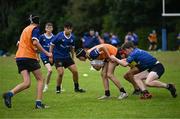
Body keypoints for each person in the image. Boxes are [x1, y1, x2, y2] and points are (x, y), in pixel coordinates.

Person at [2, 15, 52, 109]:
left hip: (20, 58)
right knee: (40, 79)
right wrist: (46, 53)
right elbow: (35, 43)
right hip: (28, 57)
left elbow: (19, 43)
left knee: (27, 83)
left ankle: (9, 94)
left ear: (30, 21)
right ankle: (38, 104)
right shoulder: (35, 29)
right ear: (38, 23)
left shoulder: (25, 29)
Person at [110, 41, 177, 99]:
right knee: (136, 77)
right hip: (151, 68)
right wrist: (119, 60)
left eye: (126, 51)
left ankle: (169, 86)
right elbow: (126, 61)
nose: (126, 53)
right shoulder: (136, 51)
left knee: (148, 82)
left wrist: (115, 59)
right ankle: (145, 93)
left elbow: (124, 64)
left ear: (130, 48)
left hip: (157, 67)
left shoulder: (134, 53)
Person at [49, 21, 85, 94]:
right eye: (67, 29)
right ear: (64, 28)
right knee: (61, 73)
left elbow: (72, 48)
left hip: (67, 56)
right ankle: (58, 89)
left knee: (75, 71)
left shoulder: (72, 37)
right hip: (58, 56)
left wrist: (73, 57)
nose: (69, 30)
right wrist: (50, 55)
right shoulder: (59, 35)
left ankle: (76, 88)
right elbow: (52, 44)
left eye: (70, 29)